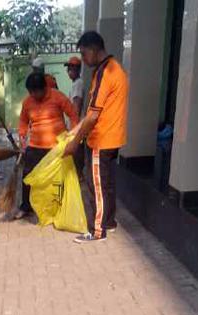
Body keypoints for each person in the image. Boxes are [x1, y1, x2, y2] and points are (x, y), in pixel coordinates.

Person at [63, 31, 128, 242]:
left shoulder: (106, 73)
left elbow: (92, 116)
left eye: (83, 54)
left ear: (93, 49)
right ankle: (109, 221)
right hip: (112, 137)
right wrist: (73, 132)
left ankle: (97, 230)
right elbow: (94, 111)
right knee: (106, 183)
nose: (82, 59)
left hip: (102, 139)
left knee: (96, 185)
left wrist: (74, 143)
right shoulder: (113, 68)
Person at [15, 72, 79, 220]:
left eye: (36, 92)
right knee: (27, 175)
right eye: (30, 92)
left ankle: (57, 208)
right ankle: (26, 207)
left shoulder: (57, 96)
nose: (33, 95)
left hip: (55, 147)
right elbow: (23, 120)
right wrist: (22, 136)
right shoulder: (27, 101)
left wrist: (72, 135)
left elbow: (73, 114)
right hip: (35, 145)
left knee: (56, 179)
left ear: (44, 88)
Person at [64, 56, 85, 178]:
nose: (68, 72)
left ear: (76, 70)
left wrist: (74, 126)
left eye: (70, 69)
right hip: (75, 123)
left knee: (77, 149)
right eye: (68, 69)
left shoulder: (77, 84)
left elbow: (77, 105)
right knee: (77, 148)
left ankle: (79, 174)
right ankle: (78, 173)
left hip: (76, 123)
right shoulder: (77, 83)